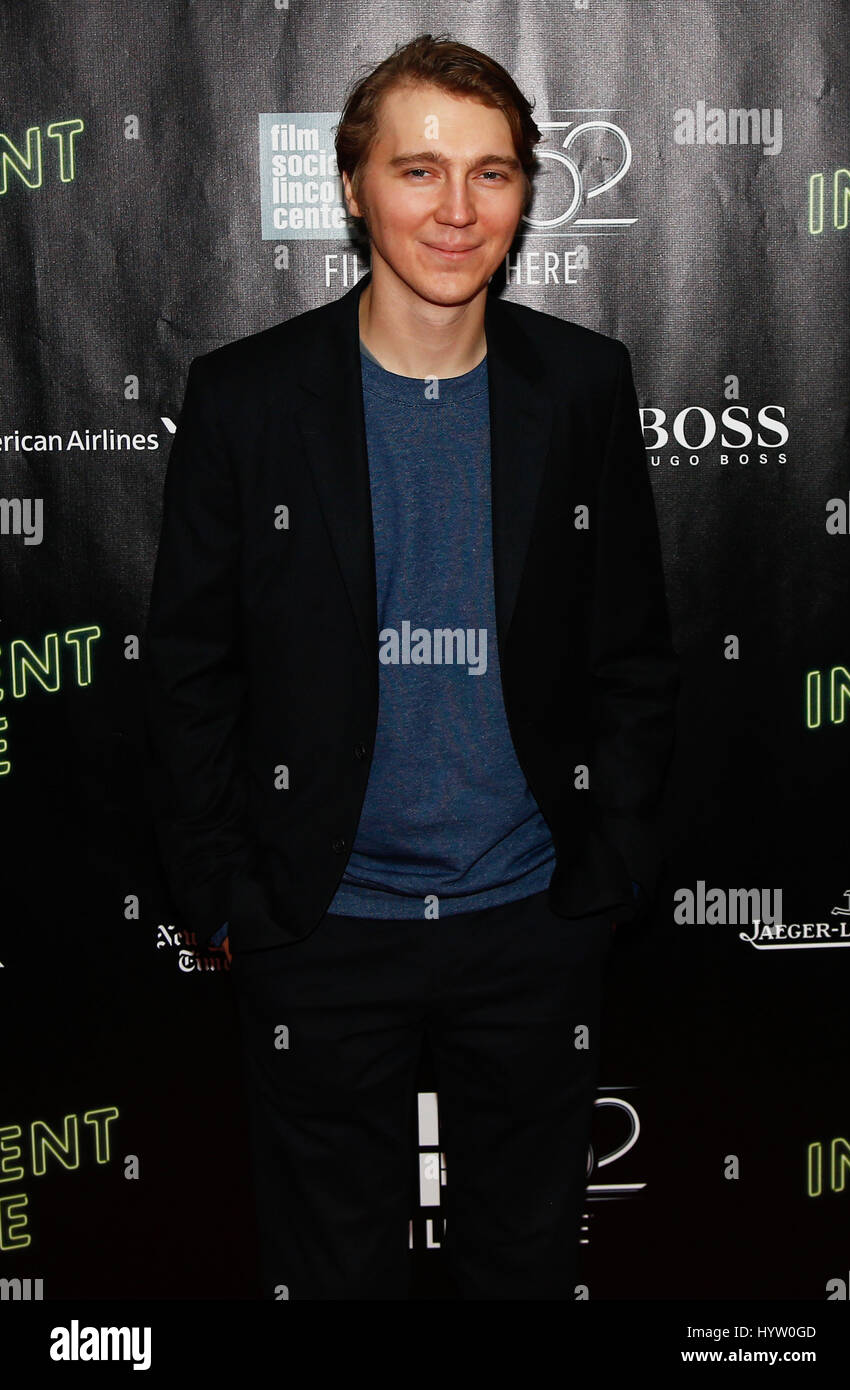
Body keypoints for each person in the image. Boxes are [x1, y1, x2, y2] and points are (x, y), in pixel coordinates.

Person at [143, 33, 680, 1300]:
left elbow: (632, 651)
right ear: (351, 186)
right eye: (418, 170)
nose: (454, 211)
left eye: (489, 174)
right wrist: (229, 896)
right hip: (318, 926)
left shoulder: (584, 385)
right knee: (332, 1273)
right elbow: (189, 669)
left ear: (524, 195)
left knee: (526, 1264)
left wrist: (605, 871)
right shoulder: (246, 398)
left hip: (530, 919)